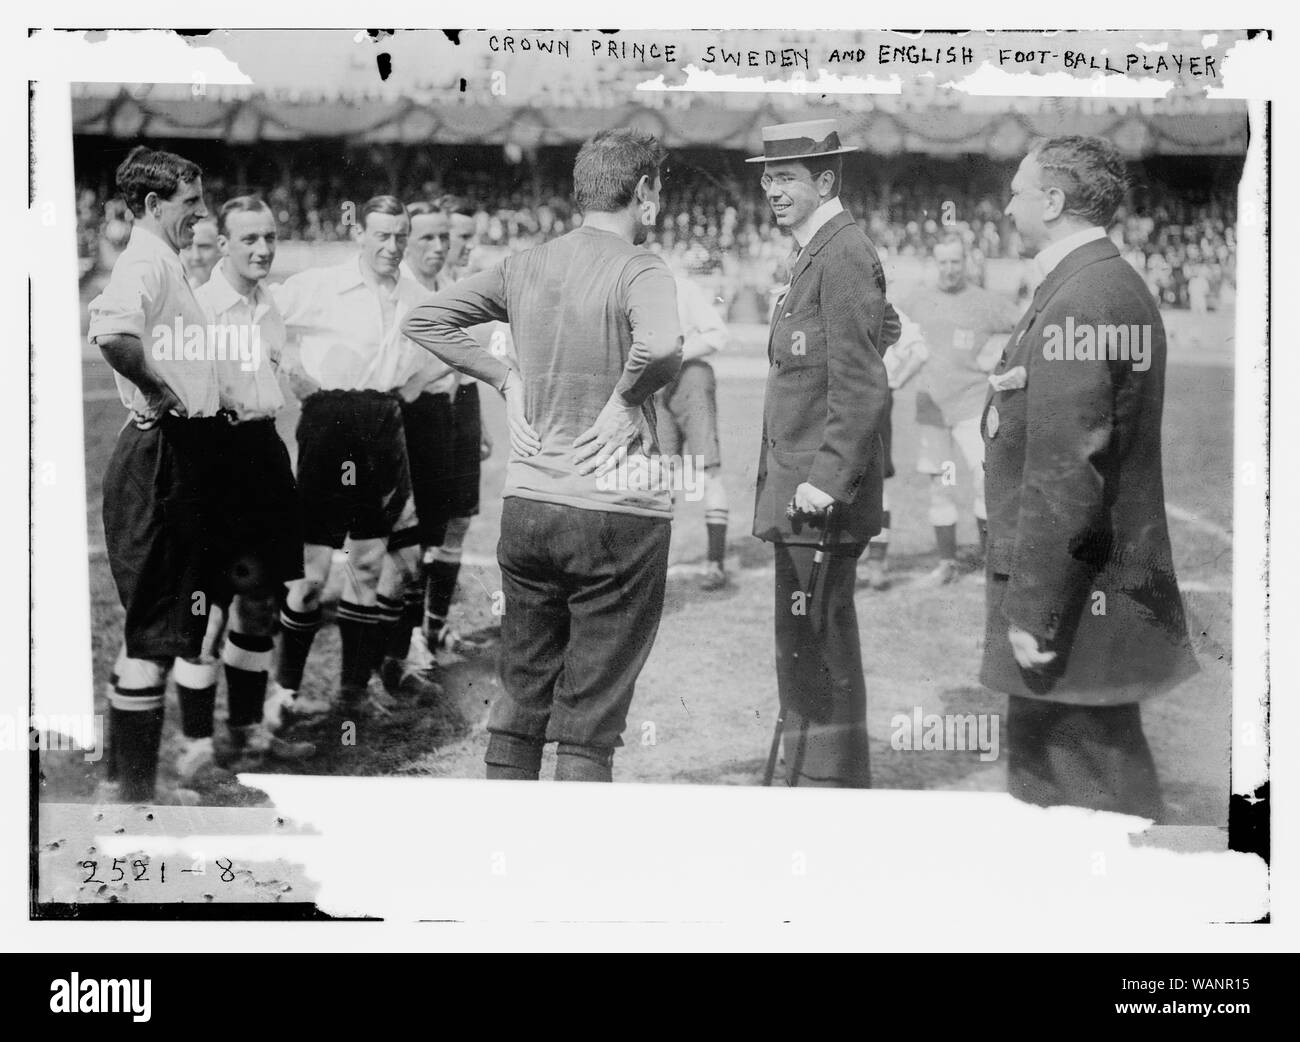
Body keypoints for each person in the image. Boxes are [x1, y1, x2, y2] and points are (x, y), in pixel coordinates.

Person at [402, 129, 682, 782]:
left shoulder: (524, 264)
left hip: (528, 509)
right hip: (616, 512)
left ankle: (511, 861)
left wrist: (505, 377)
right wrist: (624, 399)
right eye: (658, 187)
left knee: (520, 702)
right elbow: (664, 346)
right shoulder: (641, 266)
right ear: (642, 190)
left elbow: (424, 320)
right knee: (588, 721)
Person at [985, 136, 1199, 818]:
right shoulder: (1092, 283)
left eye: (1018, 191)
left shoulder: (1083, 296)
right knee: (1069, 787)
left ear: (1052, 202)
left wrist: (1036, 611)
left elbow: (1067, 473)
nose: (1007, 205)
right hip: (1089, 589)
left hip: (1077, 598)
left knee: (1089, 794)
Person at [748, 119, 891, 788]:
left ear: (825, 181)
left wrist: (829, 479)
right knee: (801, 644)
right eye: (768, 177)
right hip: (801, 491)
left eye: (787, 178)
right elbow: (873, 334)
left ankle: (830, 790)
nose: (771, 189)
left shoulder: (841, 253)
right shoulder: (819, 251)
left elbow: (861, 381)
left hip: (819, 499)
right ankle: (811, 781)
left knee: (820, 643)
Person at [87, 145, 222, 802]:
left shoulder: (162, 260)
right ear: (152, 205)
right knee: (153, 631)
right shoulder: (145, 259)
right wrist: (158, 389)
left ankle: (124, 787)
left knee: (157, 627)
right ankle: (133, 798)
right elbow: (112, 331)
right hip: (161, 454)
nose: (200, 214)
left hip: (178, 453)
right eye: (189, 202)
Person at [268, 196, 435, 723]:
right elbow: (261, 318)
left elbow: (433, 356)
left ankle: (352, 696)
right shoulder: (321, 285)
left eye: (400, 236)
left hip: (382, 424)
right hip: (328, 424)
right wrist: (292, 373)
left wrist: (405, 390)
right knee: (311, 573)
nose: (392, 246)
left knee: (366, 564)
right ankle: (284, 696)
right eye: (381, 235)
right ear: (359, 233)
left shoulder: (416, 293)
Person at [180, 195, 316, 774]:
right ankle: (195, 750)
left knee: (260, 603)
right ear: (224, 245)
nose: (262, 249)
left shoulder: (269, 306)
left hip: (264, 456)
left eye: (270, 238)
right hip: (215, 461)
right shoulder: (200, 308)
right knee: (206, 609)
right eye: (250, 240)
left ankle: (247, 734)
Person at [903, 235, 1019, 584]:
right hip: (933, 411)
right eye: (943, 262)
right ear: (933, 264)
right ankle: (947, 563)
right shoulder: (916, 303)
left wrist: (999, 357)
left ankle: (988, 557)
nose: (950, 269)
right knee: (944, 482)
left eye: (956, 261)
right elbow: (888, 334)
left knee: (985, 476)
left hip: (972, 408)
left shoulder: (984, 302)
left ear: (966, 261)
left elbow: (1027, 327)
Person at [655, 270, 731, 589]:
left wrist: (677, 355)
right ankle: (655, 563)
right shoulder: (626, 286)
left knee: (706, 469)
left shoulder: (680, 287)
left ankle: (714, 562)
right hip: (655, 385)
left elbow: (716, 334)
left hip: (690, 379)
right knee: (660, 473)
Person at [181, 216, 220, 289]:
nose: (196, 257)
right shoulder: (181, 293)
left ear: (221, 248)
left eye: (204, 247)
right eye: (188, 248)